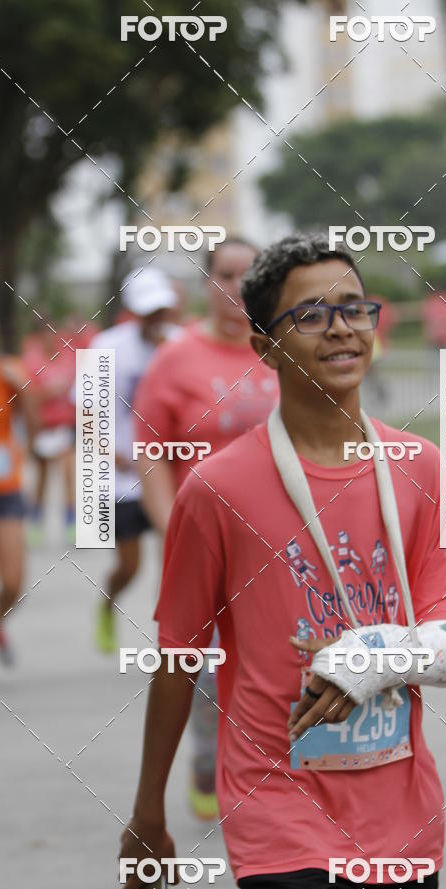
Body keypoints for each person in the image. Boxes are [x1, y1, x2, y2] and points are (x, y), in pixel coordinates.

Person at [120, 233, 446, 889]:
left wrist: (366, 658)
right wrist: (148, 811)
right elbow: (177, 654)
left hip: (402, 817)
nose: (341, 329)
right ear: (265, 348)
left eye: (354, 308)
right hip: (276, 813)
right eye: (310, 315)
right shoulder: (217, 488)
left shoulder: (427, 468)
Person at [133, 237, 279, 820]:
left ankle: (275, 773)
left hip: (279, 544)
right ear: (205, 284)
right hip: (202, 543)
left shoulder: (283, 348)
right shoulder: (177, 358)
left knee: (278, 660)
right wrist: (175, 533)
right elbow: (149, 454)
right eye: (225, 275)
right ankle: (204, 752)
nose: (237, 288)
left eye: (250, 276)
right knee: (205, 664)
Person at [88, 266, 181, 654]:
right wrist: (112, 454)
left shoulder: (181, 344)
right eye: (147, 310)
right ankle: (108, 605)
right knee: (130, 567)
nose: (155, 317)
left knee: (175, 561)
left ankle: (174, 641)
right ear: (132, 309)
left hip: (169, 471)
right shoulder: (105, 346)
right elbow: (87, 416)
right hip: (121, 477)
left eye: (161, 309)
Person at [0, 296, 38, 673]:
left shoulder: (8, 372)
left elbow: (35, 430)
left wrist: (25, 391)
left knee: (13, 582)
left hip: (6, 487)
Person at [22, 321, 77, 545]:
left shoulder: (67, 359)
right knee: (42, 480)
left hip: (65, 428)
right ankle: (36, 522)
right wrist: (47, 392)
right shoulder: (32, 362)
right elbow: (28, 396)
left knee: (68, 475)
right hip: (44, 428)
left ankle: (71, 523)